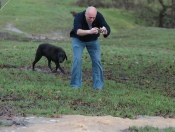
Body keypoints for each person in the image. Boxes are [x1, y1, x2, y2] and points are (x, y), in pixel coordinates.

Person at [70, 6, 111, 90]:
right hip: (78, 39)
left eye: (93, 17)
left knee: (97, 60)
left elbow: (106, 27)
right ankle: (75, 85)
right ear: (85, 14)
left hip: (93, 40)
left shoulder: (99, 16)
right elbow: (78, 31)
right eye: (90, 17)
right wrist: (90, 31)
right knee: (77, 59)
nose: (92, 19)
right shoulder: (79, 17)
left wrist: (105, 30)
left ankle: (98, 85)